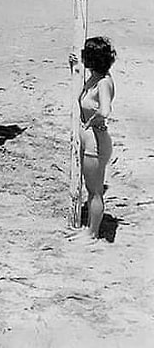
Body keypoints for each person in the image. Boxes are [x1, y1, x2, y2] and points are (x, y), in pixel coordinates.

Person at [70, 36, 117, 240]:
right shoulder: (94, 78)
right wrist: (74, 66)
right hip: (89, 140)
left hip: (96, 142)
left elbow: (105, 110)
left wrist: (94, 120)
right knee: (90, 187)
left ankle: (92, 234)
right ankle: (89, 228)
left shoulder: (104, 82)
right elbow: (80, 90)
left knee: (94, 190)